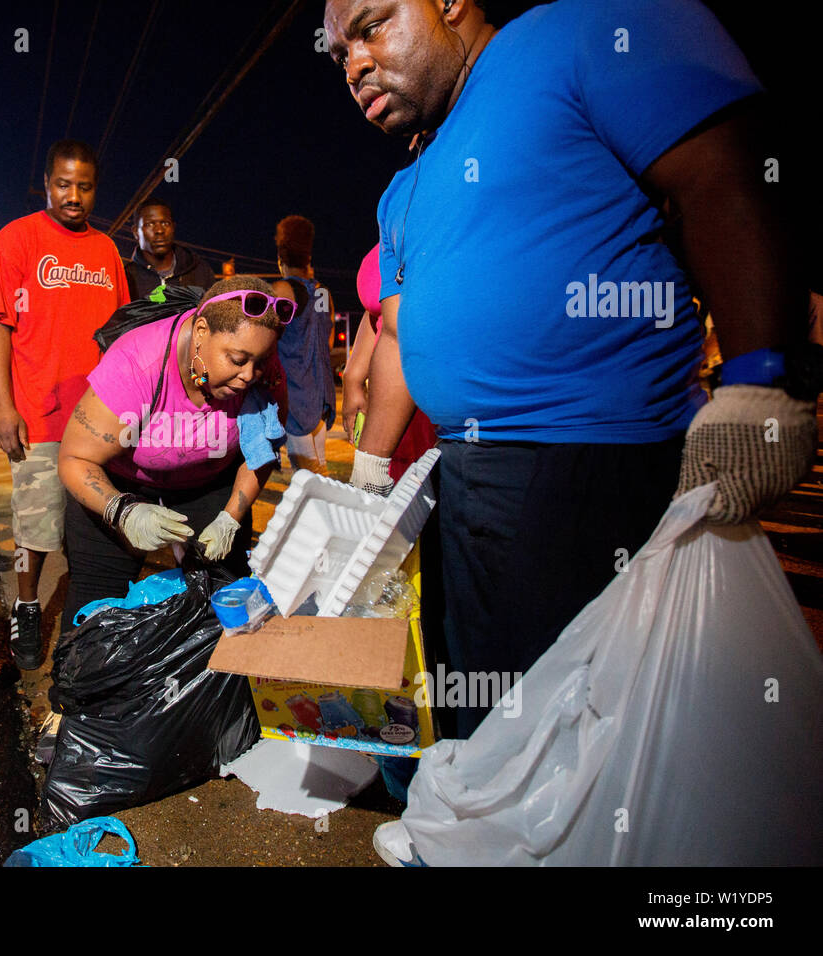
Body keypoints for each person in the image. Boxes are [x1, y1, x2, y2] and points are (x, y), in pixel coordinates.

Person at [322, 0, 816, 861]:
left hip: (595, 466)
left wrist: (761, 379)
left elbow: (723, 169)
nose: (356, 61)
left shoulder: (575, 35)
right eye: (338, 55)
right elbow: (403, 334)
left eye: (371, 24)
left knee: (593, 737)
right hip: (465, 477)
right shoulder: (407, 184)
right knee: (485, 715)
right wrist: (367, 474)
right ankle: (476, 837)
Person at [58, 276, 291, 628]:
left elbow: (260, 452)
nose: (248, 375)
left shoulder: (264, 371)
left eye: (259, 361)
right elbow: (75, 458)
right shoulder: (138, 362)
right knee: (95, 619)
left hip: (207, 484)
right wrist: (123, 512)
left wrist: (231, 516)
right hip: (120, 484)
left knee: (227, 608)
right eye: (237, 359)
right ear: (200, 331)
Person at [0, 139, 130, 670]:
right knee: (35, 525)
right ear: (46, 184)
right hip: (38, 415)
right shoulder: (15, 240)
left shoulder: (107, 251)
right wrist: (3, 406)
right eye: (63, 184)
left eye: (84, 186)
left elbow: (120, 334)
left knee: (93, 526)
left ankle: (93, 616)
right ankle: (27, 604)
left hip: (97, 419)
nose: (73, 196)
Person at [341, 245, 435, 483]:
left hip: (431, 394)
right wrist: (353, 376)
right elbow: (378, 306)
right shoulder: (392, 215)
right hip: (390, 392)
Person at [272, 215, 337, 475]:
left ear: (280, 260)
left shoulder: (282, 291)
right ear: (308, 259)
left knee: (307, 479)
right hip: (321, 398)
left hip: (296, 399)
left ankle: (320, 516)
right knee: (320, 472)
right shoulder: (322, 293)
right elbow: (328, 343)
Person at [123, 198, 216, 300]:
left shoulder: (200, 272)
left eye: (165, 223)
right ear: (136, 232)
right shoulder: (126, 278)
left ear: (173, 228)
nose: (159, 230)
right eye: (149, 224)